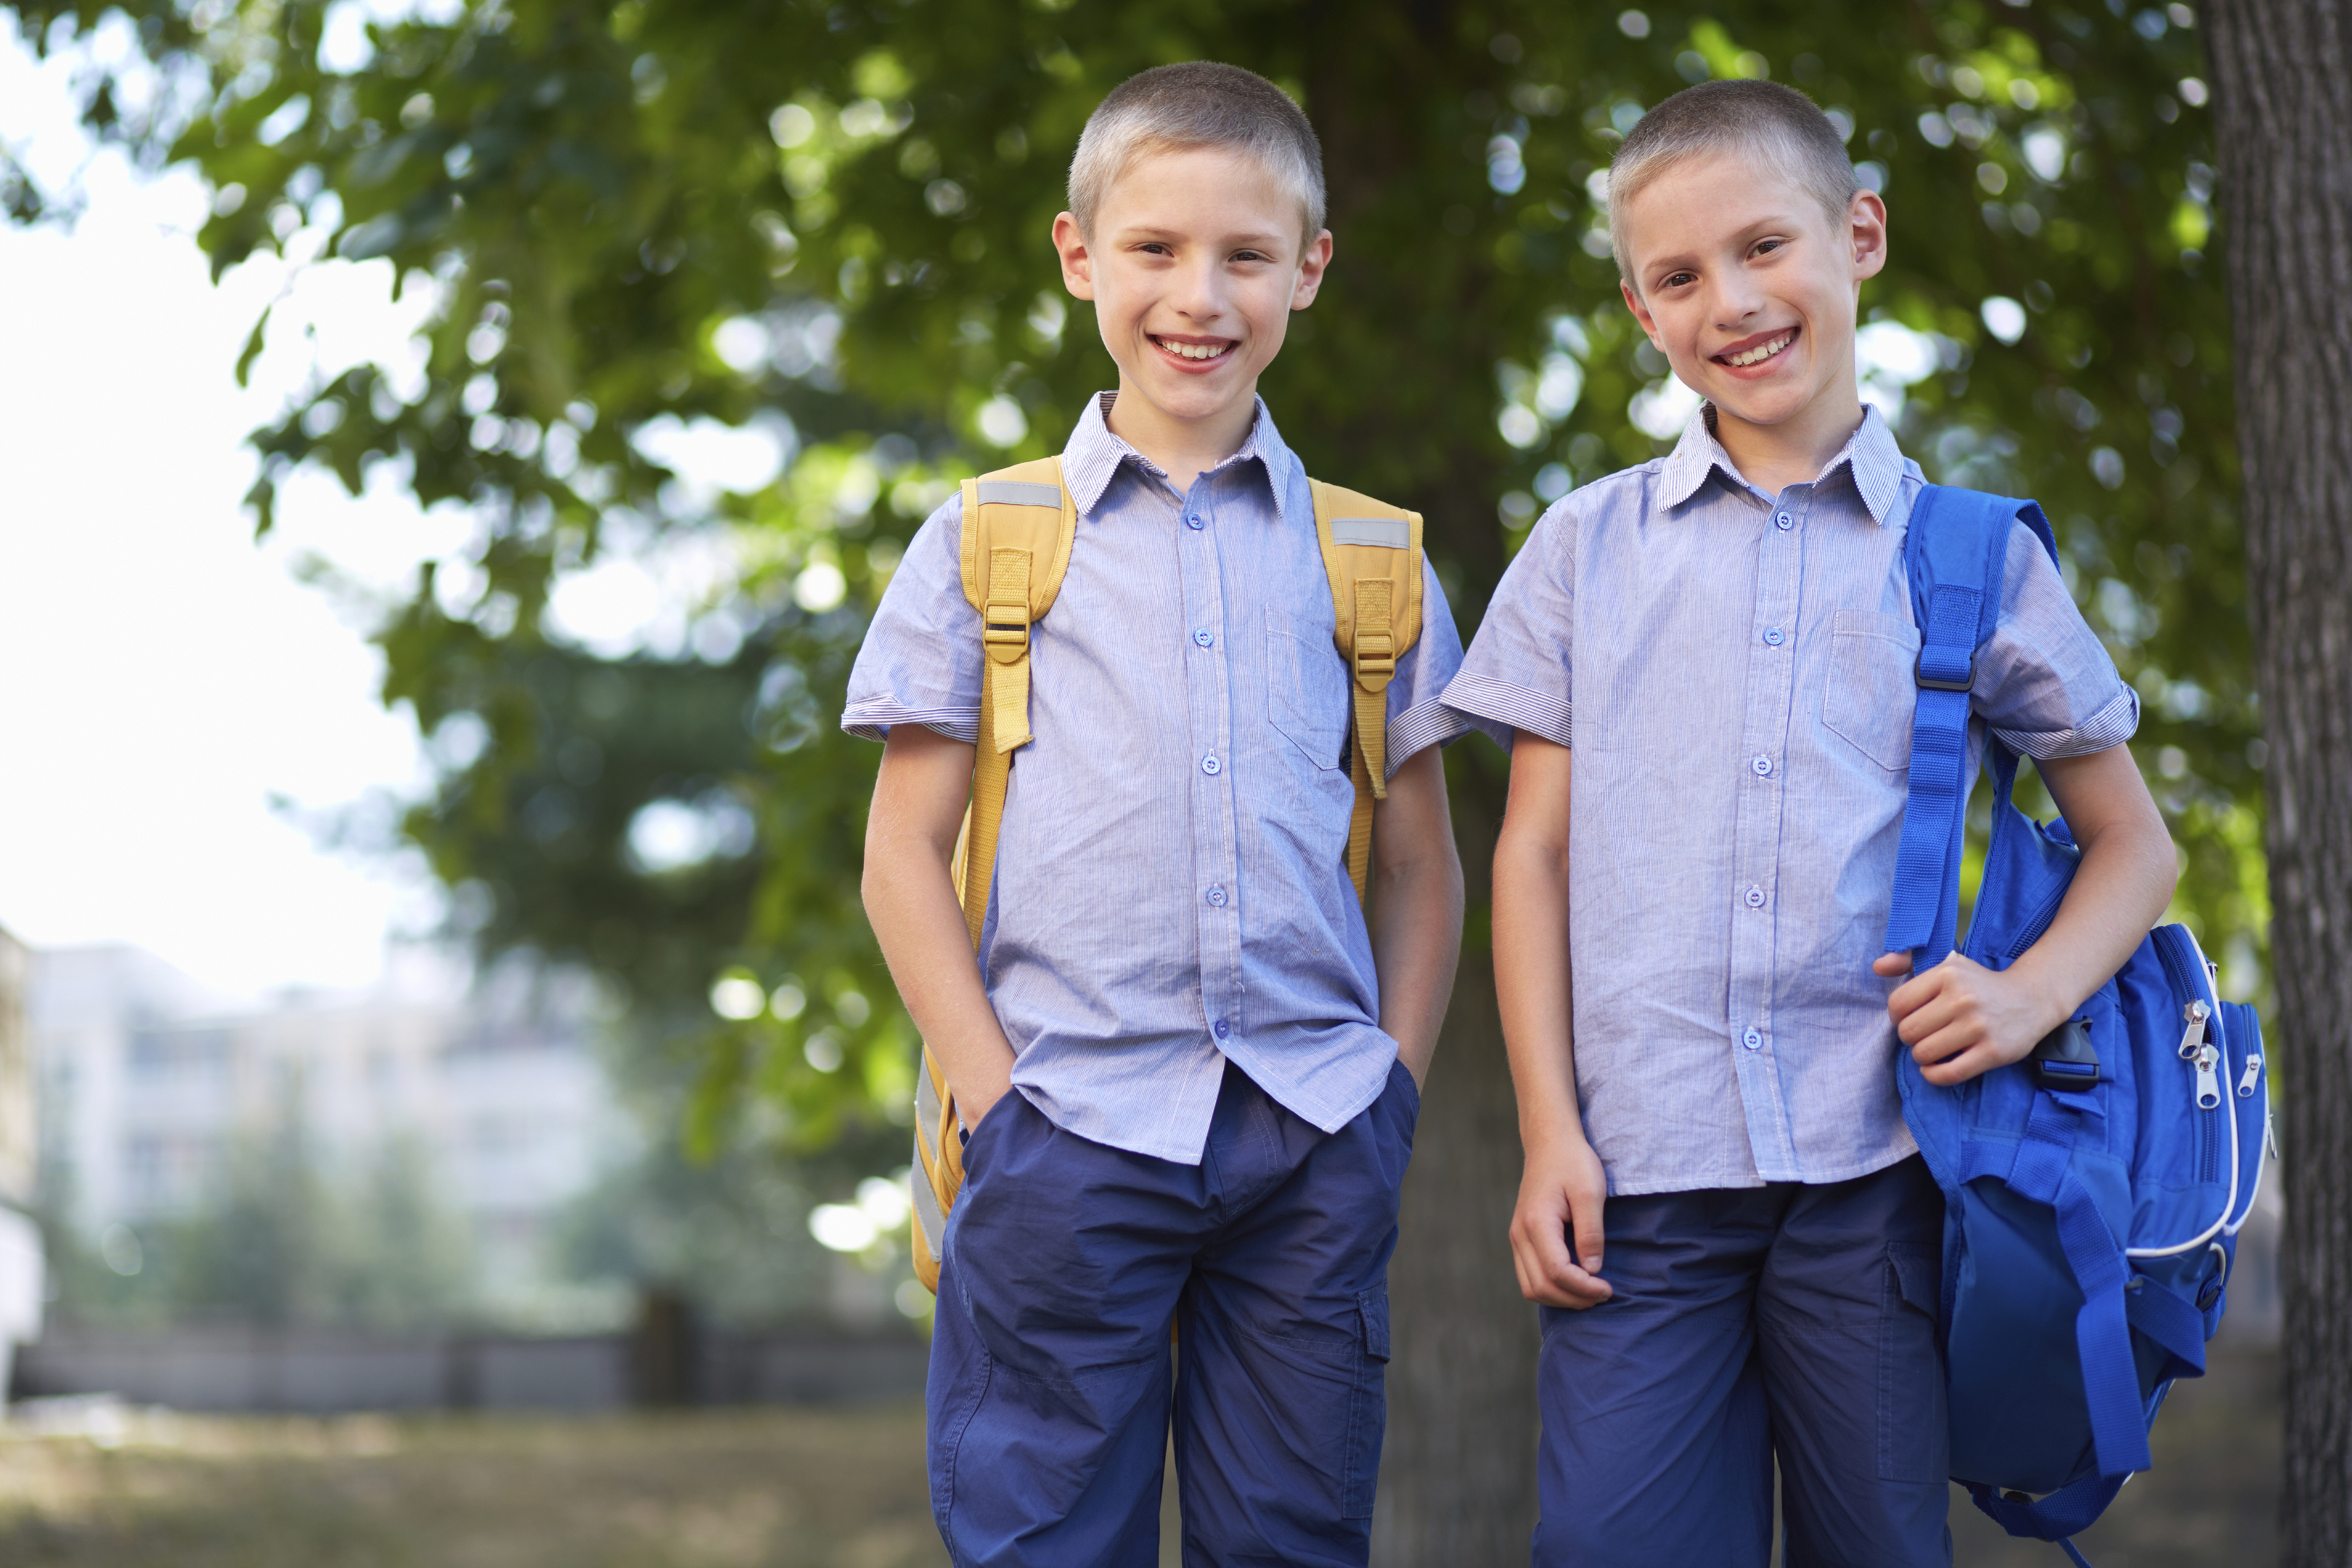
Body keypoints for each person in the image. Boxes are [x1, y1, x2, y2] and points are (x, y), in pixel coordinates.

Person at [1441, 79, 2179, 1567]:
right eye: (1678, 276)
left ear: (1860, 235)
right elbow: (1531, 854)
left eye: (1764, 246)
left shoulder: (1970, 557)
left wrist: (2030, 996)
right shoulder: (1587, 548)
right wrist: (1546, 1134)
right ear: (1642, 311)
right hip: (1637, 1188)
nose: (1732, 300)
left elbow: (2138, 845)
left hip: (1881, 1183)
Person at [846, 61, 1471, 1567]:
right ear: (1080, 258)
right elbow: (899, 858)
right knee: (1053, 1544)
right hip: (1063, 1132)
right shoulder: (991, 544)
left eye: (1247, 255)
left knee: (1291, 1544)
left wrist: (1385, 1095)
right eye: (1155, 250)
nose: (1201, 295)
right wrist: (996, 1101)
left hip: (1310, 1137)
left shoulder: (1372, 562)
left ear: (1308, 270)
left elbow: (1423, 866)